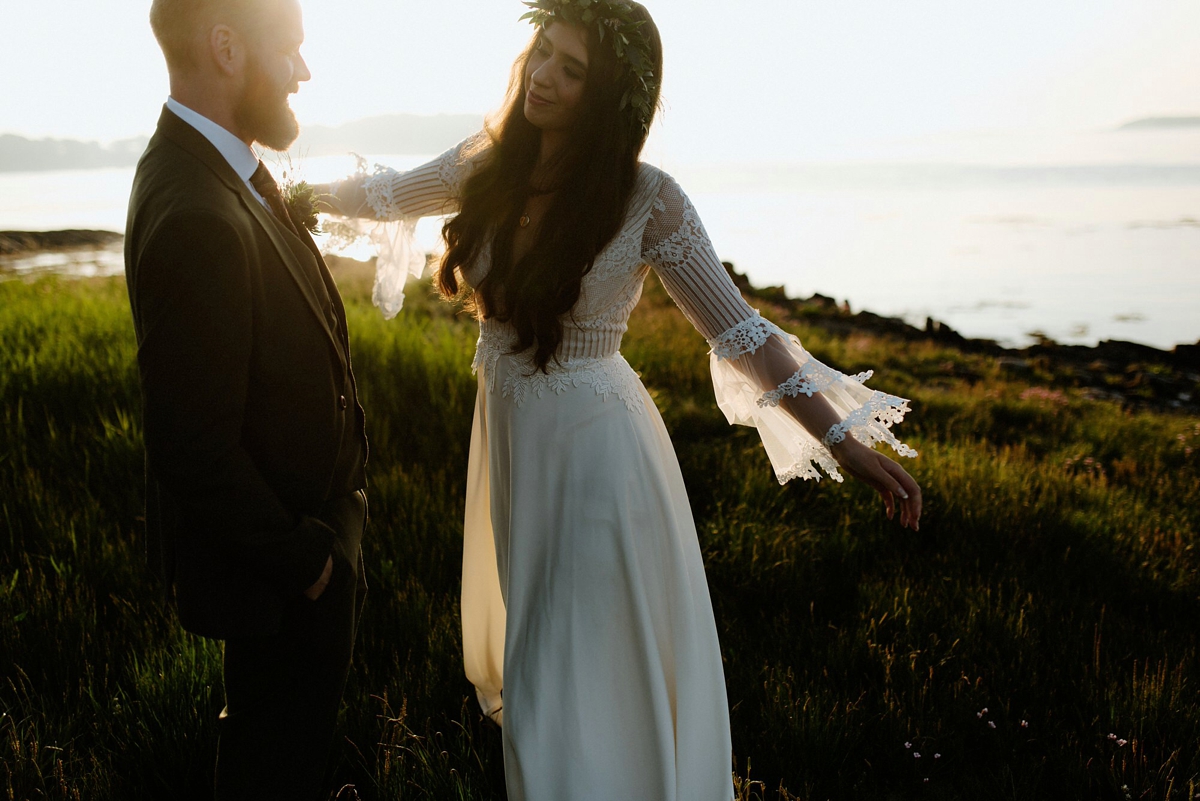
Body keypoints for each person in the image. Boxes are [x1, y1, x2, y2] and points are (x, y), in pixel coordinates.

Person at [321, 1, 921, 798]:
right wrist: (287, 194)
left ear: (608, 98)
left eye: (572, 71)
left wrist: (845, 440)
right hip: (511, 439)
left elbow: (743, 335)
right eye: (544, 54)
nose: (544, 77)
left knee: (561, 665)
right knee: (549, 657)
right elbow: (388, 193)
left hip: (595, 453)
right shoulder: (487, 163)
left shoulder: (649, 199)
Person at [124, 0, 369, 798]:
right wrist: (309, 565)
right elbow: (190, 443)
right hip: (278, 580)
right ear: (226, 49)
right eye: (291, 49)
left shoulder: (218, 169)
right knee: (271, 773)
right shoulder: (196, 210)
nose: (304, 70)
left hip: (297, 561)